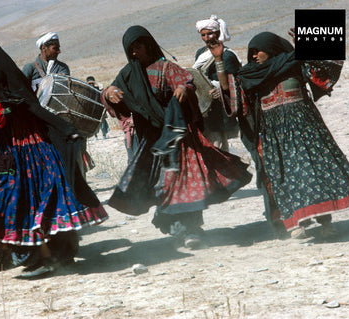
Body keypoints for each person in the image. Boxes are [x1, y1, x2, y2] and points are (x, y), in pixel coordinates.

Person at [101, 26, 252, 248]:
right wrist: (108, 94)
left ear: (148, 45)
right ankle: (176, 227)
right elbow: (110, 92)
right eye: (131, 49)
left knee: (183, 182)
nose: (135, 53)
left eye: (138, 47)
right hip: (150, 139)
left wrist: (184, 89)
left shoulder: (165, 67)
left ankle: (190, 230)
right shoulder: (128, 74)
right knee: (162, 185)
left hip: (177, 135)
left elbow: (188, 82)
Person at [0, 38, 108, 277]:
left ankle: (52, 258)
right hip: (14, 154)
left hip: (33, 152)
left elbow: (35, 109)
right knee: (21, 204)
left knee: (39, 205)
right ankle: (42, 256)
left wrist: (65, 128)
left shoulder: (12, 84)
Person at [211, 30, 349, 239]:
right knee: (285, 176)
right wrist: (218, 60)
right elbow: (228, 89)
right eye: (251, 52)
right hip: (274, 132)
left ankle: (325, 222)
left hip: (304, 126)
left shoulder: (295, 61)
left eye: (257, 51)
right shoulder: (250, 74)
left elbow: (326, 66)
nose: (253, 56)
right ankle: (298, 222)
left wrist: (306, 45)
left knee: (314, 169)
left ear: (270, 49)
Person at [193, 15, 240, 152]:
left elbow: (235, 81)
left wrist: (220, 89)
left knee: (218, 144)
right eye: (203, 35)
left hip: (220, 107)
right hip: (205, 106)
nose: (207, 38)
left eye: (210, 33)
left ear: (218, 33)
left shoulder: (228, 56)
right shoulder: (200, 53)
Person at [87, 76, 110, 140]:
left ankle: (104, 134)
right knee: (93, 123)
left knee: (102, 122)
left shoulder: (97, 88)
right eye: (89, 83)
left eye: (92, 83)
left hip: (99, 107)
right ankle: (95, 136)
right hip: (91, 108)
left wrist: (96, 83)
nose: (91, 84)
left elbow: (101, 87)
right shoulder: (87, 90)